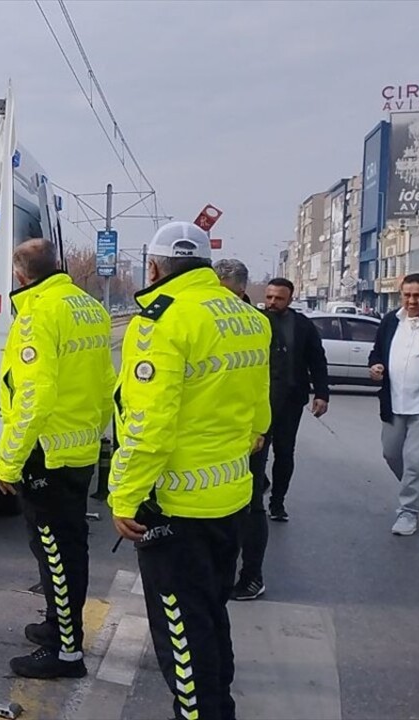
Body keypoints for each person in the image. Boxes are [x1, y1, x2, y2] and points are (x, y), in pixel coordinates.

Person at [109, 222, 270, 720]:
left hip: (173, 506)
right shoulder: (248, 319)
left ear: (154, 268)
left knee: (182, 632)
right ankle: (220, 706)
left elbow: (147, 424)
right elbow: (259, 418)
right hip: (229, 498)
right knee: (211, 614)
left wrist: (124, 495)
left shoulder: (161, 322)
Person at [0, 239, 113, 679]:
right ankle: (57, 626)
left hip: (46, 455)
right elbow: (106, 386)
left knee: (55, 555)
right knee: (70, 547)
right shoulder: (89, 308)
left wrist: (8, 461)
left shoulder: (38, 314)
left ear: (22, 275)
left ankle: (66, 651)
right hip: (77, 451)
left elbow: (33, 396)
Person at [214, 260, 272, 601]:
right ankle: (222, 574)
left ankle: (251, 575)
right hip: (222, 428)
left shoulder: (255, 323)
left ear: (237, 288)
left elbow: (268, 381)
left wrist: (261, 428)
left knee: (249, 506)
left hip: (250, 431)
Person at [258, 277, 329, 522]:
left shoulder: (302, 325)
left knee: (285, 453)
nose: (272, 302)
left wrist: (321, 394)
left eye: (278, 298)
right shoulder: (255, 321)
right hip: (259, 402)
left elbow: (317, 359)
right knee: (255, 452)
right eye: (269, 297)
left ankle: (277, 502)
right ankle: (256, 495)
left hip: (290, 400)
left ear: (290, 298)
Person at [368, 273, 419, 536]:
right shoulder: (391, 321)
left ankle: (408, 512)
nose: (411, 300)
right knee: (391, 454)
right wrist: (375, 366)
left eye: (417, 295)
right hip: (394, 402)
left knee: (415, 460)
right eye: (407, 295)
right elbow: (377, 352)